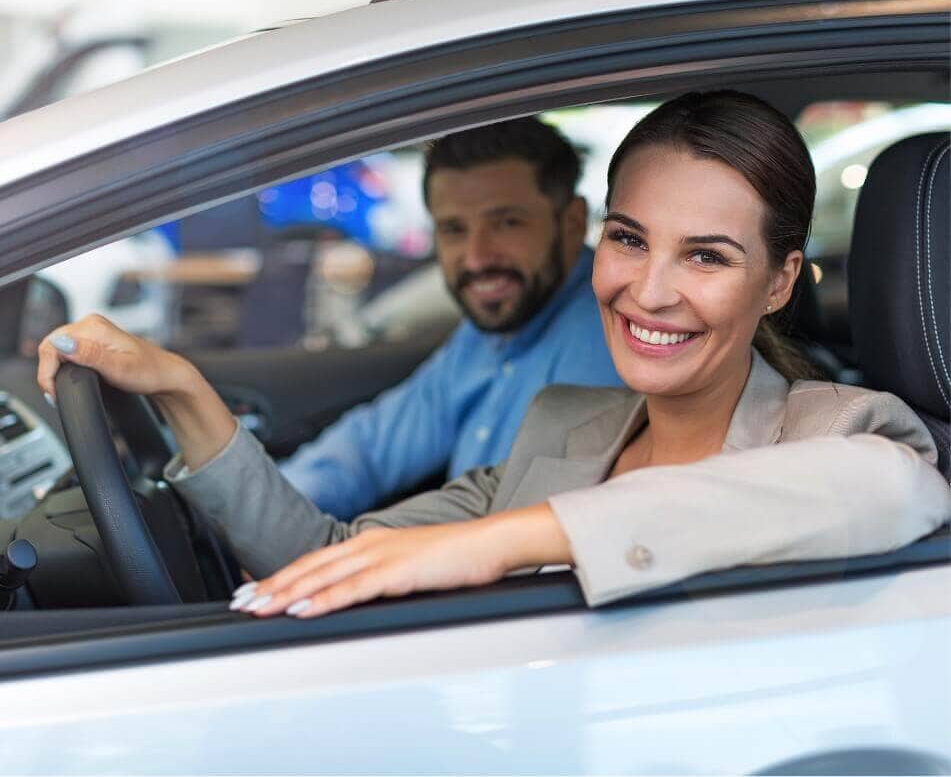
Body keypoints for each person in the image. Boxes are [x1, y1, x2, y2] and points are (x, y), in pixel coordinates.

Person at [37, 91, 950, 619]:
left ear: (781, 281)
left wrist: (508, 542)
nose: (650, 291)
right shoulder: (558, 427)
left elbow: (899, 488)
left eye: (706, 256)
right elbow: (327, 555)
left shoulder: (833, 427)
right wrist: (183, 390)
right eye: (630, 240)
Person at [275, 118, 623, 517]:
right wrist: (262, 515)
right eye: (454, 229)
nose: (476, 257)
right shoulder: (492, 329)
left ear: (572, 222)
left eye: (507, 223)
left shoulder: (607, 342)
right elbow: (371, 449)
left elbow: (519, 533)